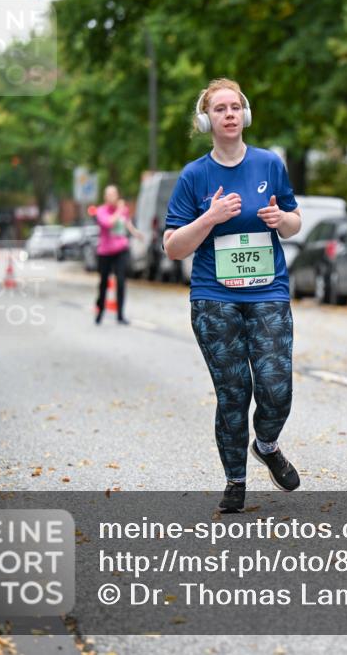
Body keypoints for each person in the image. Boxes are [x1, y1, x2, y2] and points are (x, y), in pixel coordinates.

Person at [163, 78, 303, 513]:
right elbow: (173, 247)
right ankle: (235, 480)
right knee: (234, 392)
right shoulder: (195, 176)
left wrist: (281, 219)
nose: (229, 114)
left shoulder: (269, 164)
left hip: (268, 292)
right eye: (219, 108)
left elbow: (295, 221)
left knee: (276, 387)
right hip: (213, 297)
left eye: (235, 107)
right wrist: (210, 217)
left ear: (245, 115)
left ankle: (267, 444)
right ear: (207, 120)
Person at [94, 185, 142, 325]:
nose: (111, 197)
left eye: (114, 194)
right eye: (109, 194)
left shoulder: (123, 210)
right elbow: (109, 223)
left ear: (117, 195)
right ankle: (100, 309)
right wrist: (119, 210)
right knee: (103, 283)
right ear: (105, 197)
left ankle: (120, 315)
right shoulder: (101, 211)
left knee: (121, 281)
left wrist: (135, 233)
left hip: (121, 250)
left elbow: (127, 222)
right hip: (105, 252)